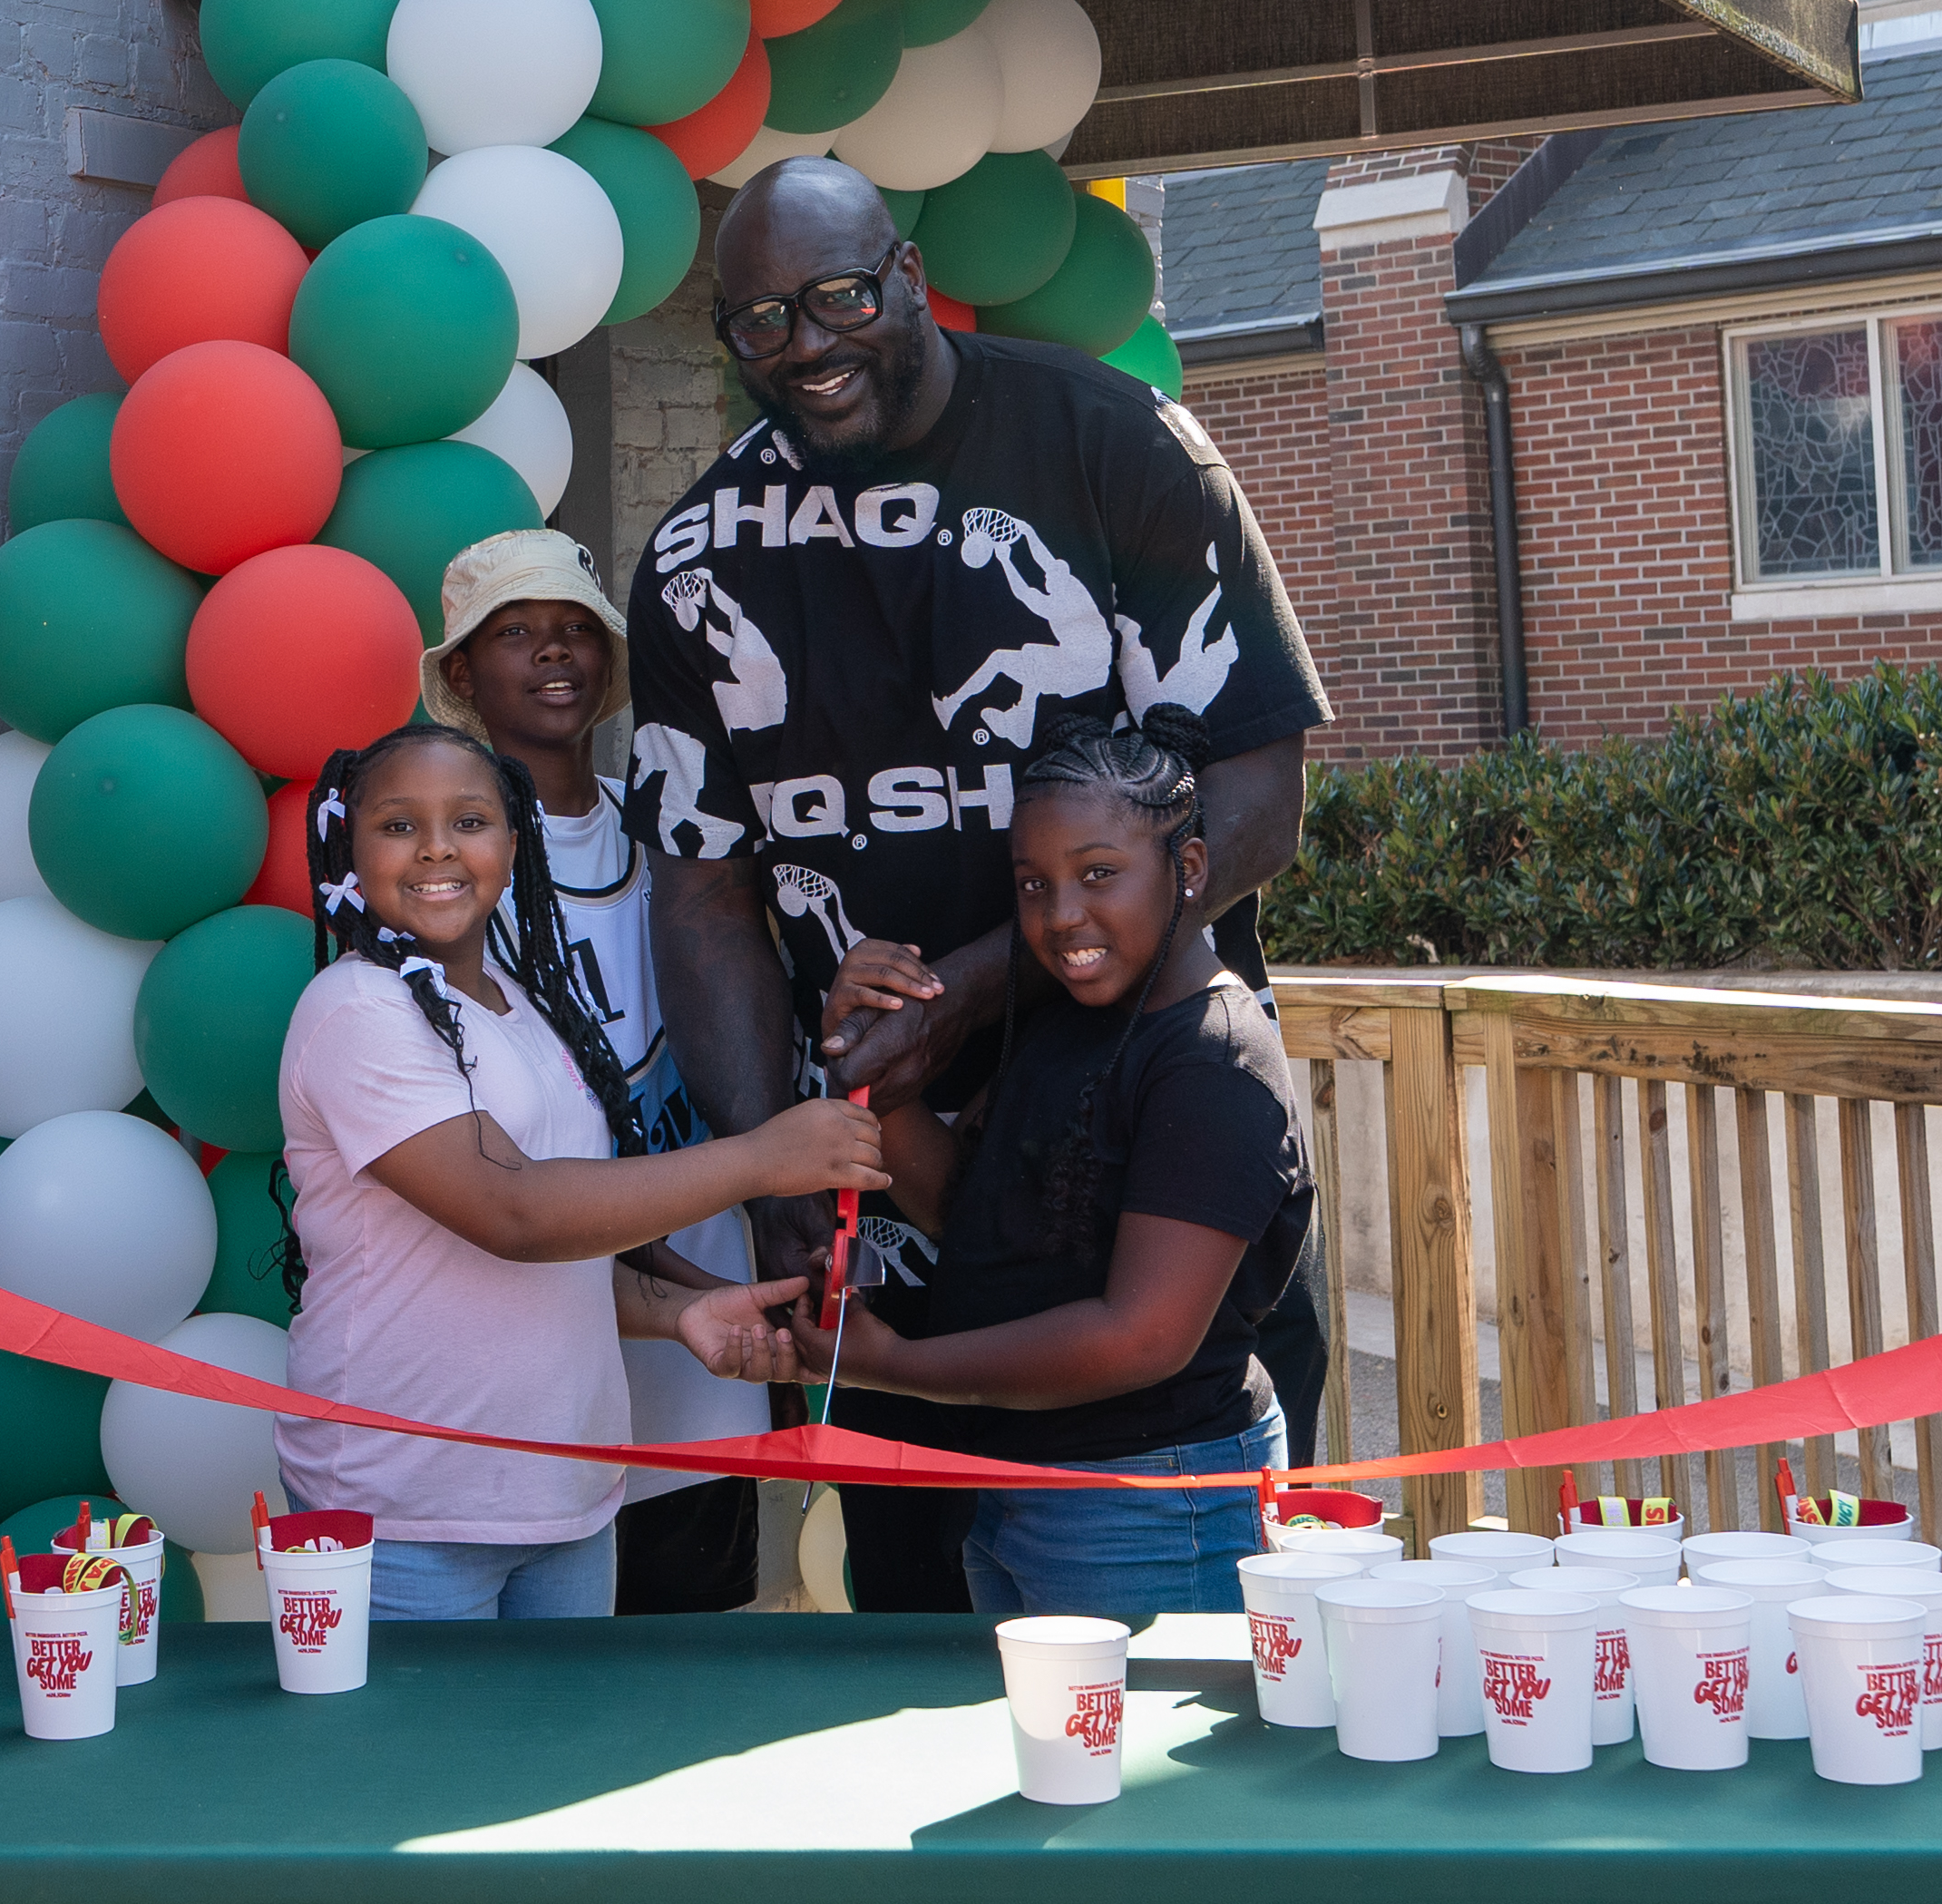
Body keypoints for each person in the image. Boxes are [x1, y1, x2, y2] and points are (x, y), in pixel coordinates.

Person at [627, 156, 1334, 1609]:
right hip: (884, 1219)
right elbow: (702, 895)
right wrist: (772, 1165)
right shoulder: (701, 556)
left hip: (1155, 1186)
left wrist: (968, 993)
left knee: (1201, 1669)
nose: (807, 346)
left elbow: (1259, 801)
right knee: (913, 1650)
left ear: (904, 272)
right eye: (760, 321)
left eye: (836, 297)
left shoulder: (1115, 447)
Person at [269, 721, 885, 1620]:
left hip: (564, 1495)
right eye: (399, 825)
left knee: (556, 1764)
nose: (438, 846)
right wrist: (761, 1154)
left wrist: (683, 1313)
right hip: (403, 1507)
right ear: (349, 853)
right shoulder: (356, 1008)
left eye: (469, 820)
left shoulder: (521, 1003)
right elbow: (514, 1212)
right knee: (412, 1768)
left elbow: (561, 1250)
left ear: (514, 844)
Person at [741, 710, 1310, 1620]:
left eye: (1097, 874)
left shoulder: (1212, 1059)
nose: (1061, 914)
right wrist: (870, 1072)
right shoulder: (1071, 1020)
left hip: (1151, 1501)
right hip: (1019, 1484)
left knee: (1135, 1759)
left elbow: (1141, 1334)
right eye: (1032, 884)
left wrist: (897, 1365)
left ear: (1190, 869)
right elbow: (969, 1207)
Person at [420, 528, 774, 1615]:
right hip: (559, 1325)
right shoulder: (449, 860)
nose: (553, 652)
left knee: (690, 1642)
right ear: (463, 674)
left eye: (577, 628)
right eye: (515, 632)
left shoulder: (672, 819)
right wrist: (695, 1289)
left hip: (711, 1328)